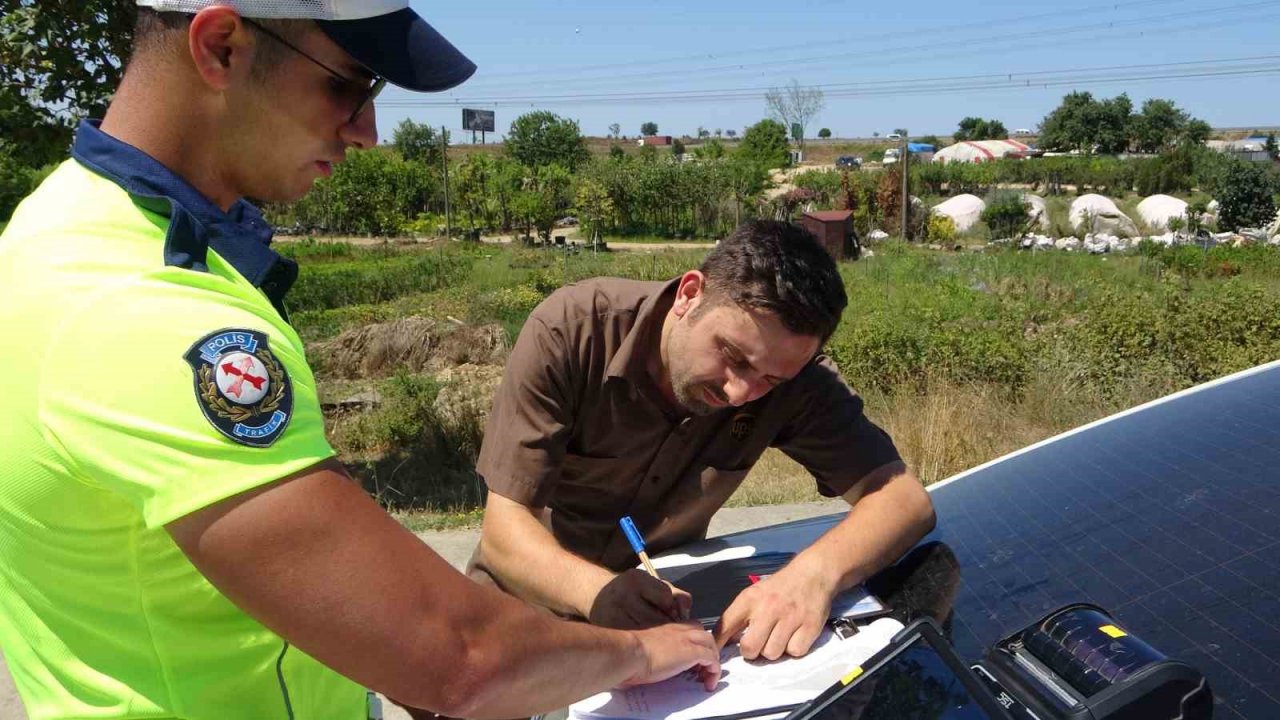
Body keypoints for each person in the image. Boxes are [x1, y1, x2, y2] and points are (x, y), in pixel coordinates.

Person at [0, 3, 719, 719]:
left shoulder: (61, 227)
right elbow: (459, 661)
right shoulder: (148, 311)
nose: (367, 132)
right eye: (346, 84)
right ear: (221, 47)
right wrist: (646, 651)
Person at [471, 220, 936, 662]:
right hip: (519, 618)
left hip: (659, 630)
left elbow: (903, 501)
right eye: (733, 356)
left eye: (770, 380)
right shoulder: (573, 331)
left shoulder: (798, 381)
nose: (739, 393)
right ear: (690, 294)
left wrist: (813, 576)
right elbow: (503, 533)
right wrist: (600, 593)